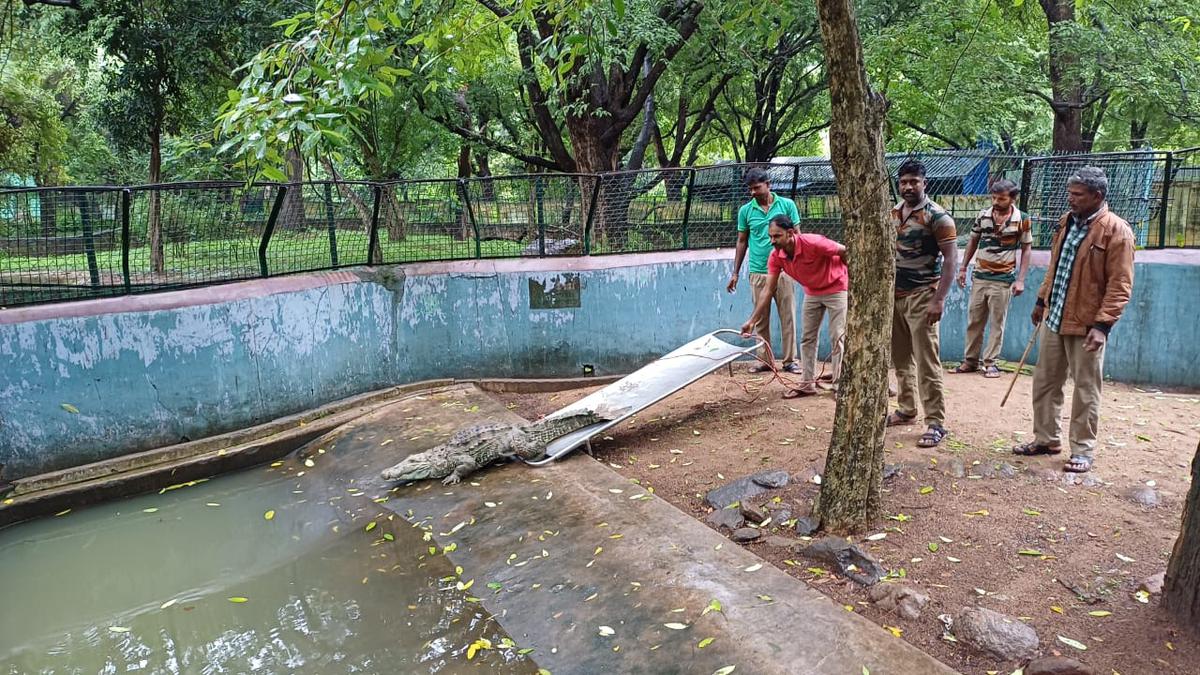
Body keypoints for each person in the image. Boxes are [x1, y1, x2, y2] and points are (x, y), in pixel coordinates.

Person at [1013, 166, 1134, 473]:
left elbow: (1120, 285)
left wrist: (1103, 326)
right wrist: (1042, 301)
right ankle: (1046, 439)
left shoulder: (1117, 231)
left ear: (1098, 196)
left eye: (1077, 195)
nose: (1071, 199)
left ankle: (1082, 450)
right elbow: (1056, 266)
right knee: (1044, 382)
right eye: (1070, 193)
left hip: (1087, 324)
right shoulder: (1066, 222)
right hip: (1055, 317)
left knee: (1085, 388)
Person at [885, 160, 958, 447]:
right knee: (901, 359)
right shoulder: (892, 213)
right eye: (903, 182)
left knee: (927, 362)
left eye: (914, 181)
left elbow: (951, 259)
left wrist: (938, 300)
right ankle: (906, 409)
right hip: (895, 297)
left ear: (924, 183)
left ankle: (936, 422)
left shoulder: (938, 216)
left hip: (922, 296)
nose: (908, 187)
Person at [739, 215, 848, 395]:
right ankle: (807, 384)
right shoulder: (776, 257)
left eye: (777, 236)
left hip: (836, 288)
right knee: (807, 339)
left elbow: (844, 250)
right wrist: (752, 320)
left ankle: (839, 385)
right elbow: (767, 290)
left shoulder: (813, 242)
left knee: (838, 336)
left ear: (790, 233)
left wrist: (850, 279)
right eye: (770, 237)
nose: (772, 241)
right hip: (812, 292)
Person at [952, 178, 1033, 377]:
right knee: (975, 320)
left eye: (1002, 198)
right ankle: (970, 361)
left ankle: (991, 363)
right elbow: (973, 241)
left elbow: (1026, 249)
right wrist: (963, 268)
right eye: (994, 197)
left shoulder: (1022, 219)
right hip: (980, 276)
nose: (996, 202)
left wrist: (1020, 279)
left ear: (1013, 199)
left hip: (1003, 279)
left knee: (997, 322)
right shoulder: (983, 215)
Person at [727, 168, 801, 373]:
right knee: (760, 318)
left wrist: (799, 265)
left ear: (768, 184)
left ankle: (790, 361)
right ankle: (765, 360)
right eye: (749, 189)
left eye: (756, 187)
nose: (753, 192)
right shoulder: (745, 211)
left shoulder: (787, 205)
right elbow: (742, 241)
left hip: (785, 270)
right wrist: (735, 272)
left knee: (788, 316)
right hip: (758, 271)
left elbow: (798, 236)